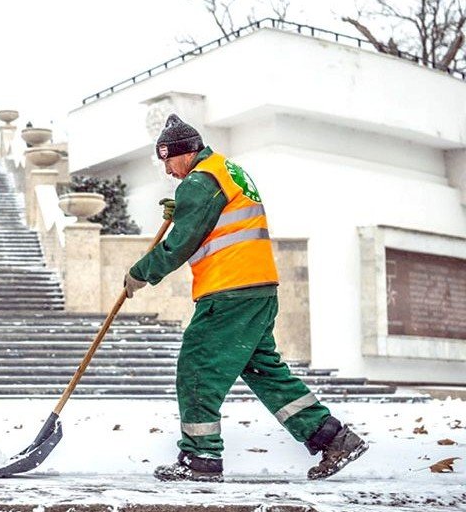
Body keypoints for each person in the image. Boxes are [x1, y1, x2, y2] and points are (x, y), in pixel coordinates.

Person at [124, 114, 367, 482]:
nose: (169, 171)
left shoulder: (200, 181)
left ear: (184, 153)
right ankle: (332, 438)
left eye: (168, 161)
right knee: (264, 371)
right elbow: (215, 222)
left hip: (229, 293)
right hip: (258, 289)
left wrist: (140, 274)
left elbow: (180, 244)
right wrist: (187, 207)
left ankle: (200, 459)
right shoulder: (227, 170)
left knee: (197, 369)